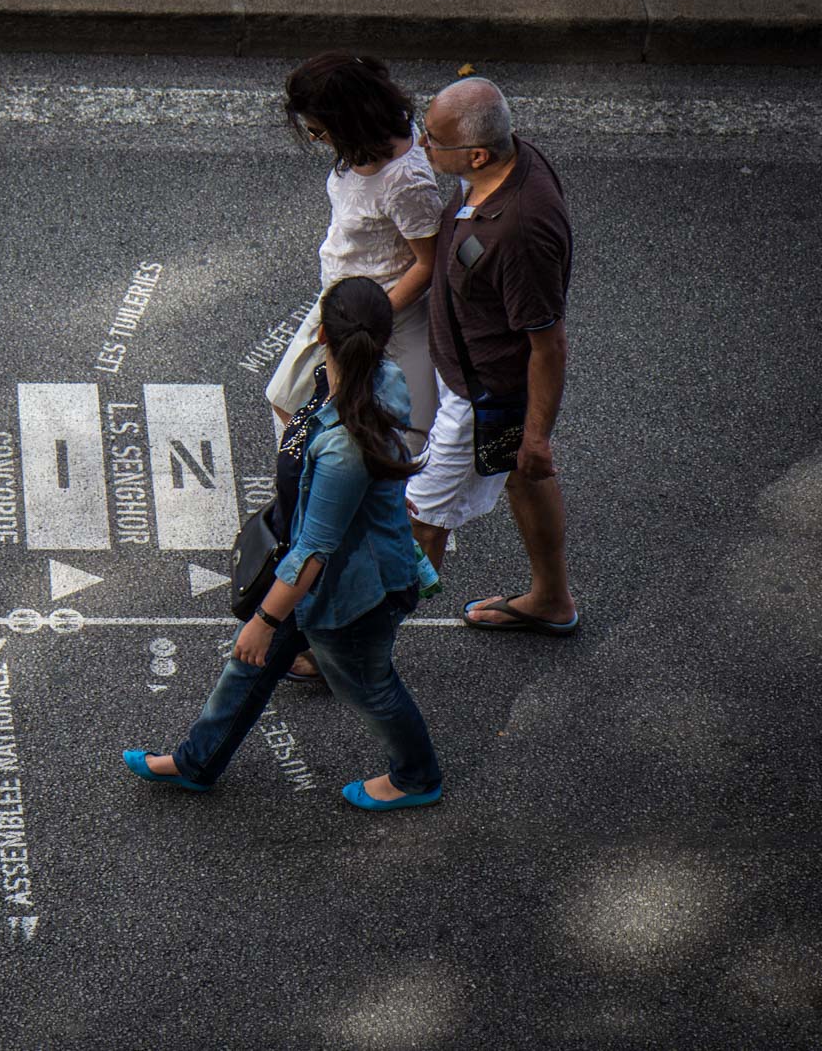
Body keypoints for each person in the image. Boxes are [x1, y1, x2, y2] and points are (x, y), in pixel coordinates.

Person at [124, 277, 443, 811]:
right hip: (318, 578)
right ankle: (197, 761)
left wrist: (265, 619)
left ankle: (417, 777)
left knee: (369, 688)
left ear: (322, 334)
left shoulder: (344, 443)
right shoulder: (377, 378)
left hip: (351, 595)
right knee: (248, 667)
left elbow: (316, 549)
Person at [269, 51, 444, 683]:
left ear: (349, 116)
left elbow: (427, 265)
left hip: (380, 328)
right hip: (341, 308)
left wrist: (362, 321)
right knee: (287, 397)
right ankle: (318, 515)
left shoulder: (408, 181)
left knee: (389, 475)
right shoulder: (357, 152)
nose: (316, 140)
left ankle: (355, 626)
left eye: (319, 128)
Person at [408, 77, 579, 636]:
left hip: (479, 399)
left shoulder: (521, 231)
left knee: (421, 522)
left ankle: (360, 648)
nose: (421, 145)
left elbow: (547, 344)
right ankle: (553, 600)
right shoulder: (505, 162)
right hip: (464, 372)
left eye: (431, 139)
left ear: (476, 153)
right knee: (522, 479)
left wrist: (536, 436)